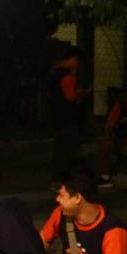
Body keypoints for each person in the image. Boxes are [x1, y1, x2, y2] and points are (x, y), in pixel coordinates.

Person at [49, 46, 91, 178]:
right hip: (68, 116)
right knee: (70, 145)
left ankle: (59, 173)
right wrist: (80, 94)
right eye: (77, 62)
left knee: (60, 146)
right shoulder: (66, 76)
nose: (77, 66)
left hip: (56, 115)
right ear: (72, 59)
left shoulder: (54, 73)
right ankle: (69, 172)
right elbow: (70, 97)